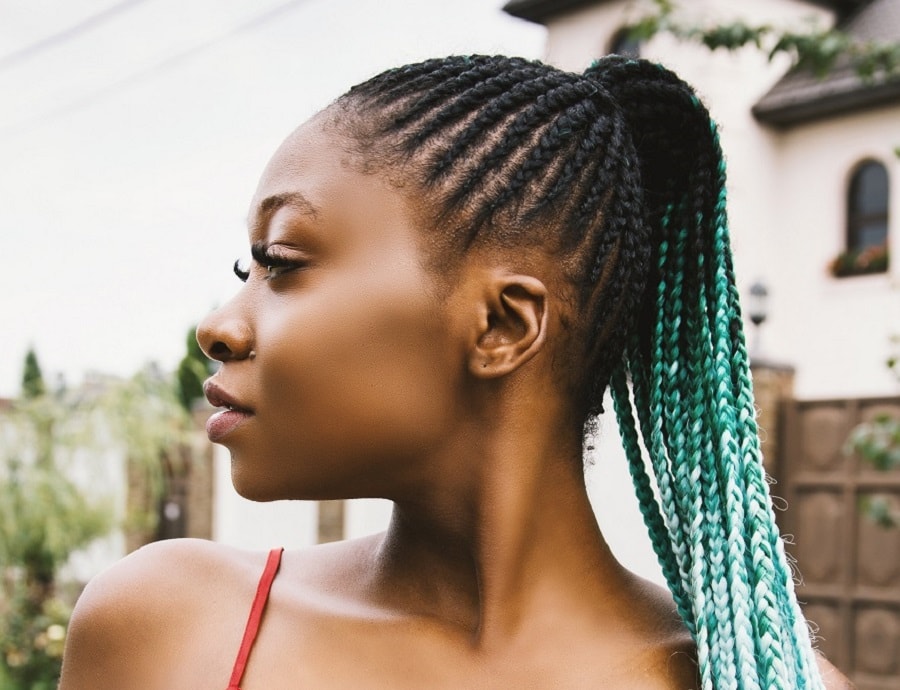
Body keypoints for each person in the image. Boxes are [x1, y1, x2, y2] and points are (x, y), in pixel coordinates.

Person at [59, 55, 853, 689]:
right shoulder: (167, 628)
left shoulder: (760, 679)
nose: (218, 327)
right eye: (247, 266)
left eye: (282, 263)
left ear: (504, 325)